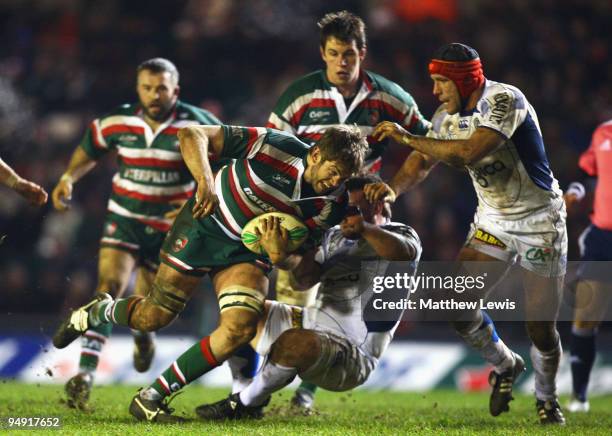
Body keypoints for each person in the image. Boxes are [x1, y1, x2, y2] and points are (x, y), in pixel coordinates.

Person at [53, 123, 369, 422]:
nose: (335, 182)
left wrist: (281, 254)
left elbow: (303, 275)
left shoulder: (331, 205)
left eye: (343, 177)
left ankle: (150, 398)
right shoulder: (275, 146)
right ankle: (97, 313)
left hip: (246, 253)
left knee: (240, 329)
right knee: (154, 317)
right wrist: (205, 180)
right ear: (315, 155)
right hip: (204, 227)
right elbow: (192, 134)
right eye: (333, 172)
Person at [369, 43, 568, 424]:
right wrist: (394, 188)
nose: (436, 91)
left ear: (463, 79)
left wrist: (405, 136)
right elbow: (423, 160)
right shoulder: (446, 114)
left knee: (541, 327)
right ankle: (507, 365)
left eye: (442, 82)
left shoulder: (505, 100)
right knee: (456, 306)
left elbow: (466, 154)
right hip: (494, 221)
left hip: (539, 222)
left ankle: (546, 399)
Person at [266, 9, 430, 409]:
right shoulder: (298, 97)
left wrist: (392, 188)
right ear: (323, 53)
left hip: (360, 222)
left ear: (363, 54)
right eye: (335, 53)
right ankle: (262, 385)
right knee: (296, 303)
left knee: (341, 310)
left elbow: (427, 146)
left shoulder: (389, 98)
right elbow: (270, 154)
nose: (343, 62)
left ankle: (305, 393)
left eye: (350, 55)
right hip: (307, 216)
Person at [163, 173, 421, 421]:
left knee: (296, 342)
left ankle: (244, 403)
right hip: (312, 325)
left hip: (355, 354)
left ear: (377, 205)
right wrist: (282, 256)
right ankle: (241, 386)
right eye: (346, 208)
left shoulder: (402, 233)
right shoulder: (334, 237)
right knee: (242, 310)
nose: (347, 214)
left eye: (355, 208)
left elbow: (403, 255)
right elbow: (304, 280)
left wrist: (365, 228)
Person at [50, 57, 222, 410]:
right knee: (108, 288)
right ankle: (84, 374)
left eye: (161, 88)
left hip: (170, 229)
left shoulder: (200, 125)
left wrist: (195, 202)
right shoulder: (117, 122)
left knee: (149, 308)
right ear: (138, 89)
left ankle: (144, 339)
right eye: (147, 87)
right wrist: (69, 177)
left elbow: (221, 169)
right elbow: (89, 150)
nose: (154, 94)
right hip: (125, 219)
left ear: (176, 89)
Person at [564, 118, 612, 413]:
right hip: (603, 235)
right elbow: (585, 171)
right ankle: (579, 397)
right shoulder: (604, 131)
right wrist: (576, 191)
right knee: (586, 315)